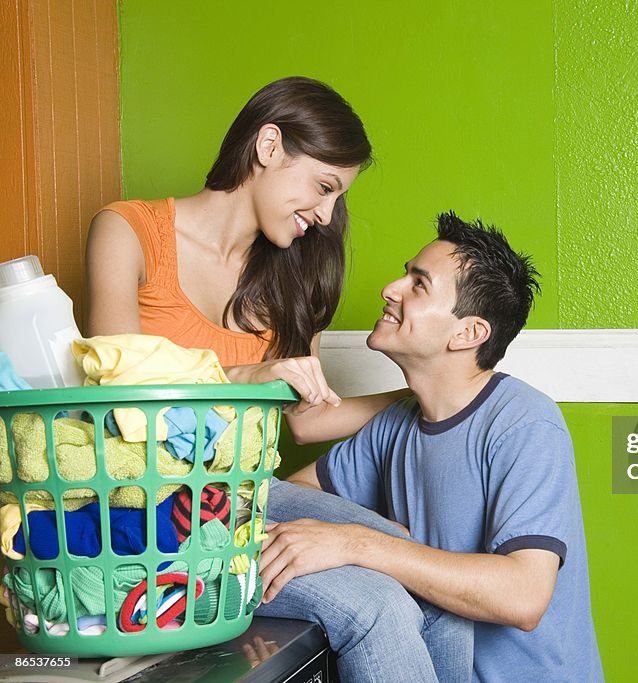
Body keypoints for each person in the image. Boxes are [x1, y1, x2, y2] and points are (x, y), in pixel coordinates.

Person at [85, 76, 471, 682]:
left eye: (336, 197)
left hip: (249, 493)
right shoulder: (127, 232)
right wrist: (247, 374)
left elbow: (305, 416)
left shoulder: (296, 274)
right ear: (268, 145)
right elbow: (118, 401)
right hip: (157, 508)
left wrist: (420, 394)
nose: (325, 215)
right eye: (323, 187)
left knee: (437, 578)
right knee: (378, 607)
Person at [258, 212, 604, 681]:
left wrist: (361, 542)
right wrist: (363, 532)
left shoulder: (525, 424)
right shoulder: (399, 422)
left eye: (419, 284)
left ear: (468, 333)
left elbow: (523, 596)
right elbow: (286, 500)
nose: (390, 288)